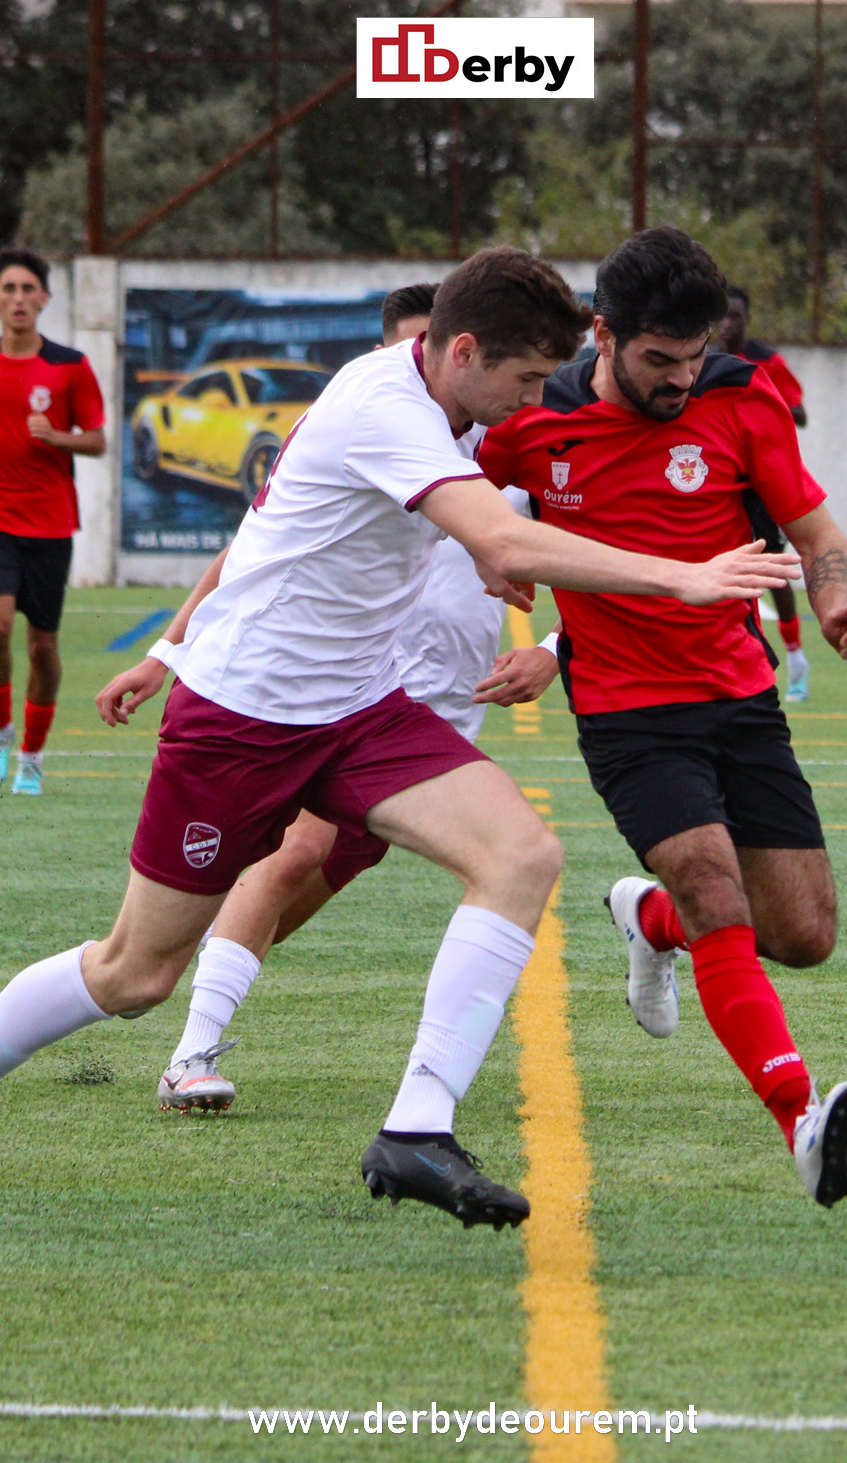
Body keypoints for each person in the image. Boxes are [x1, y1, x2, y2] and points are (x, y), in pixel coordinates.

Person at [0, 247, 799, 1234]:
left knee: (522, 852)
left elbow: (472, 530)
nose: (532, 403)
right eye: (524, 381)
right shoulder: (382, 407)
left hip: (358, 708)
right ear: (465, 350)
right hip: (239, 718)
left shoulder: (446, 403)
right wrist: (680, 575)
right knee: (133, 973)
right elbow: (505, 537)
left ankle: (416, 1127)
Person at [477, 228, 847, 1210]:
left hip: (740, 698)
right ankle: (797, 1116)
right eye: (658, 360)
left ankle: (647, 920)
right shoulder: (532, 422)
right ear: (603, 335)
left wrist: (834, 601)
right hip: (628, 712)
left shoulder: (741, 396)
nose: (679, 379)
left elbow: (815, 531)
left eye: (692, 357)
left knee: (801, 931)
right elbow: (455, 502)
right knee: (715, 885)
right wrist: (493, 570)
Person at [153, 281, 562, 1114]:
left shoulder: (506, 437)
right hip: (350, 689)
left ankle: (203, 998)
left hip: (439, 705)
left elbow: (575, 543)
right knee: (293, 855)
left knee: (325, 871)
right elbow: (263, 540)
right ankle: (194, 1044)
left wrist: (557, 650)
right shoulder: (381, 411)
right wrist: (170, 646)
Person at [0, 248, 108, 796]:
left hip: (50, 525)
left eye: (28, 289)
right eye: (9, 289)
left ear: (44, 299)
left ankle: (32, 757)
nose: (19, 298)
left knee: (42, 647)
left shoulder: (70, 365)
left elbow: (98, 439)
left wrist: (57, 437)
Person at [716, 285, 812, 700]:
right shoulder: (703, 362)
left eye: (735, 316)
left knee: (771, 567)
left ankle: (795, 658)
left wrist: (760, 403)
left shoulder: (766, 361)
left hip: (758, 479)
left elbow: (800, 412)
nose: (727, 324)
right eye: (722, 316)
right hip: (717, 476)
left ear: (746, 319)